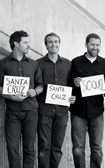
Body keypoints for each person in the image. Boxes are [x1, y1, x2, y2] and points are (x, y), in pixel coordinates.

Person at [69, 33, 105, 168]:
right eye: (92, 44)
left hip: (97, 112)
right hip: (78, 111)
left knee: (97, 149)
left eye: (97, 45)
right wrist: (75, 84)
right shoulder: (75, 62)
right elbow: (69, 85)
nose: (95, 47)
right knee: (78, 148)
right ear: (86, 45)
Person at [0, 30, 43, 168]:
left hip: (31, 111)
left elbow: (40, 85)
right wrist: (12, 96)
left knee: (29, 148)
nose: (28, 45)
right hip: (12, 112)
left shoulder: (33, 64)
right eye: (25, 42)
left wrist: (34, 91)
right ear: (16, 43)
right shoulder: (3, 64)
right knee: (12, 148)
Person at [36, 32, 76, 168]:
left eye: (56, 42)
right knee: (44, 147)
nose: (54, 44)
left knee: (57, 147)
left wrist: (72, 96)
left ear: (59, 44)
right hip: (44, 110)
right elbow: (36, 84)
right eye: (50, 42)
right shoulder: (38, 64)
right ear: (46, 45)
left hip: (62, 111)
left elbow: (71, 84)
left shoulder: (67, 63)